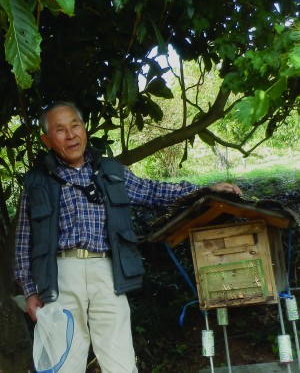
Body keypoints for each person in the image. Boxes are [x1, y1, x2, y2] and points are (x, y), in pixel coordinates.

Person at [14, 101, 242, 373]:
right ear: (47, 140)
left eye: (75, 125)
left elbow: (153, 193)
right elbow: (23, 241)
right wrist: (29, 290)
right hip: (60, 275)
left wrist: (206, 190)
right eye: (60, 130)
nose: (71, 134)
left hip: (108, 273)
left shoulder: (110, 172)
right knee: (62, 365)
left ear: (84, 128)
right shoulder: (37, 182)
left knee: (120, 362)